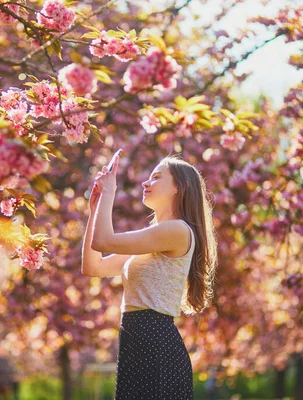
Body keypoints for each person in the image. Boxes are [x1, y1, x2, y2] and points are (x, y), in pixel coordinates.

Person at [81, 152, 218, 400]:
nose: (146, 183)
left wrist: (110, 192)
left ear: (180, 187)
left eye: (156, 177)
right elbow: (93, 267)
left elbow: (104, 241)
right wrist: (95, 210)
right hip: (136, 341)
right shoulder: (153, 237)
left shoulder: (177, 230)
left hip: (154, 342)